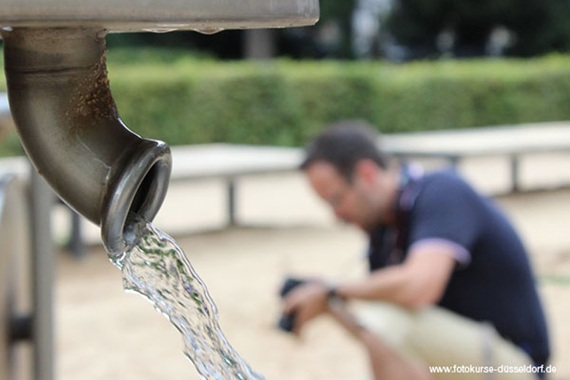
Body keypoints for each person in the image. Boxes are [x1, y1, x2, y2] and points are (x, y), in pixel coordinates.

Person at [281, 120, 551, 379]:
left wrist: (332, 288)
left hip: (518, 367)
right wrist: (330, 304)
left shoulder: (441, 191)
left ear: (367, 174)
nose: (336, 216)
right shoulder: (384, 233)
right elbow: (379, 337)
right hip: (461, 365)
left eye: (336, 200)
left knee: (387, 319)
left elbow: (419, 288)